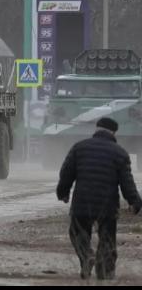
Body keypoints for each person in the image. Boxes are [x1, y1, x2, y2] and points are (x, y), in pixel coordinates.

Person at [57, 117, 142, 280]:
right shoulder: (120, 153)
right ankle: (105, 273)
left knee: (78, 233)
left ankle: (87, 256)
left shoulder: (79, 147)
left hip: (82, 202)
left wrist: (63, 193)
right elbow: (127, 182)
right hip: (107, 205)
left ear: (96, 129)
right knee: (107, 238)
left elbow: (66, 173)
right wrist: (134, 202)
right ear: (113, 132)